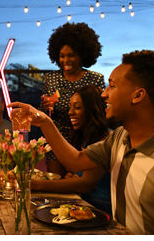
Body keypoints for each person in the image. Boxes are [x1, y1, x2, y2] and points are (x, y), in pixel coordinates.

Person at [8, 50, 154, 235]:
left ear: (137, 96)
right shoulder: (119, 137)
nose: (104, 94)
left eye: (112, 86)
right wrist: (45, 122)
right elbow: (75, 161)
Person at [32, 85, 112, 216]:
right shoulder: (85, 139)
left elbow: (86, 184)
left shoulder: (106, 140)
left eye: (78, 107)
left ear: (93, 109)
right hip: (82, 202)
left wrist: (34, 184)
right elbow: (77, 176)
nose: (70, 112)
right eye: (70, 107)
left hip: (101, 207)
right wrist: (72, 177)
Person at [40, 22, 106, 177]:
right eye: (62, 56)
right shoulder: (51, 78)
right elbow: (42, 114)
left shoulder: (95, 79)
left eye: (71, 55)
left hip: (87, 141)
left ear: (82, 55)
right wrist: (46, 106)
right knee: (57, 184)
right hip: (57, 140)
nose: (65, 61)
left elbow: (100, 112)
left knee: (79, 187)